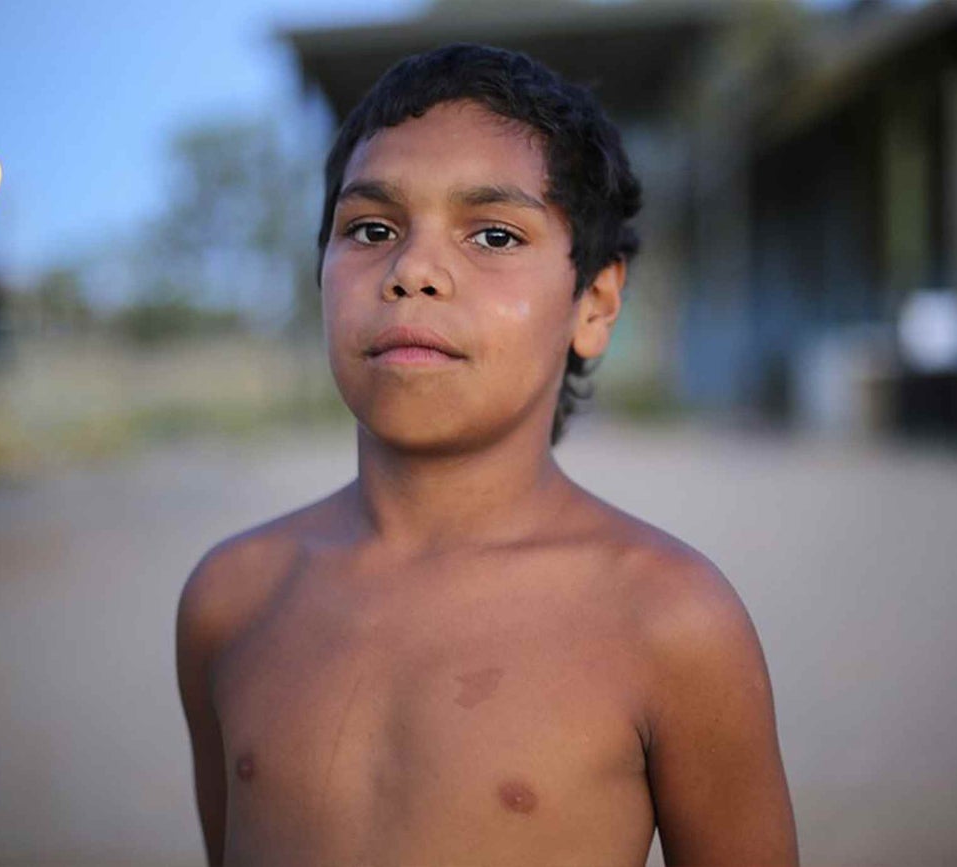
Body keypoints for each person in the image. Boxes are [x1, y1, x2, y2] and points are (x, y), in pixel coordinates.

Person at [176, 43, 798, 867]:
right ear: (320, 269)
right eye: (370, 228)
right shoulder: (231, 600)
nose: (413, 270)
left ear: (595, 303)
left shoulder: (671, 621)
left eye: (495, 234)